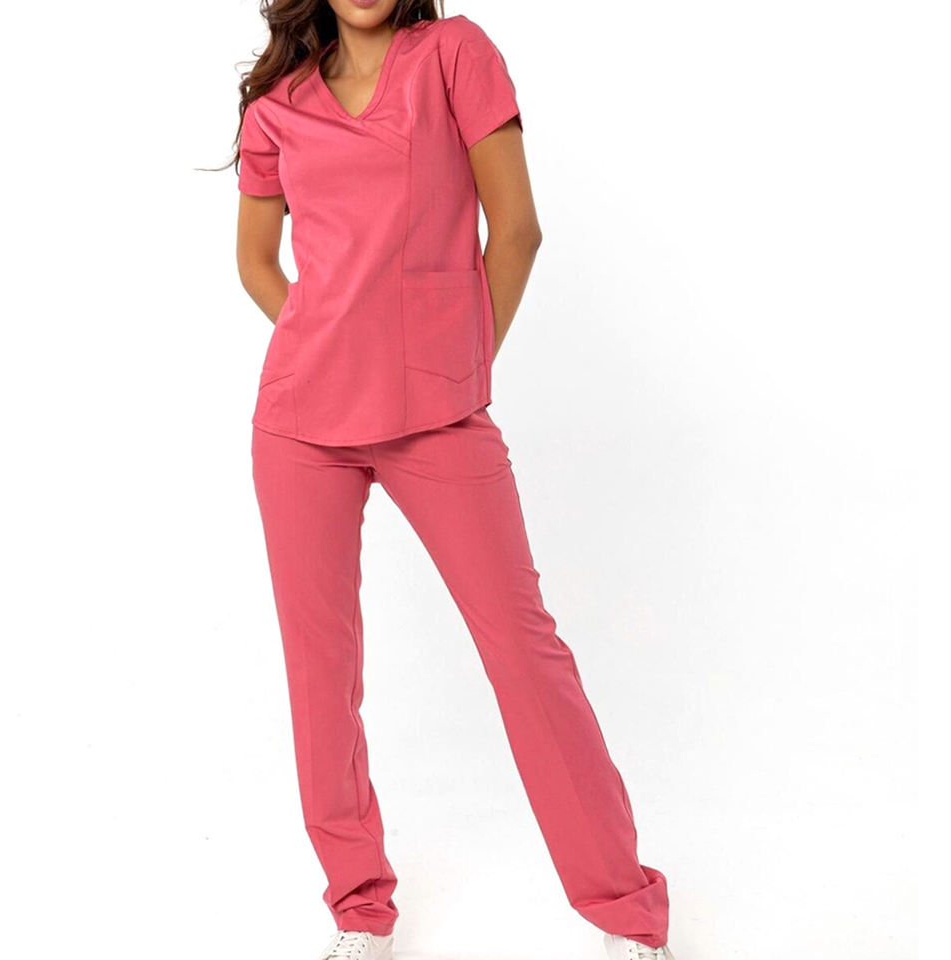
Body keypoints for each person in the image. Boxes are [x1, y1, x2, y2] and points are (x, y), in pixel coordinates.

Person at [232, 2, 675, 959]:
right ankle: (359, 907)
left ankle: (626, 911)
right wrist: (327, 340)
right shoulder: (277, 104)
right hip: (300, 423)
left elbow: (517, 231)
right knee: (320, 673)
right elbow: (256, 263)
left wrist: (454, 364)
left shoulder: (454, 55)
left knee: (523, 651)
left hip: (436, 411)